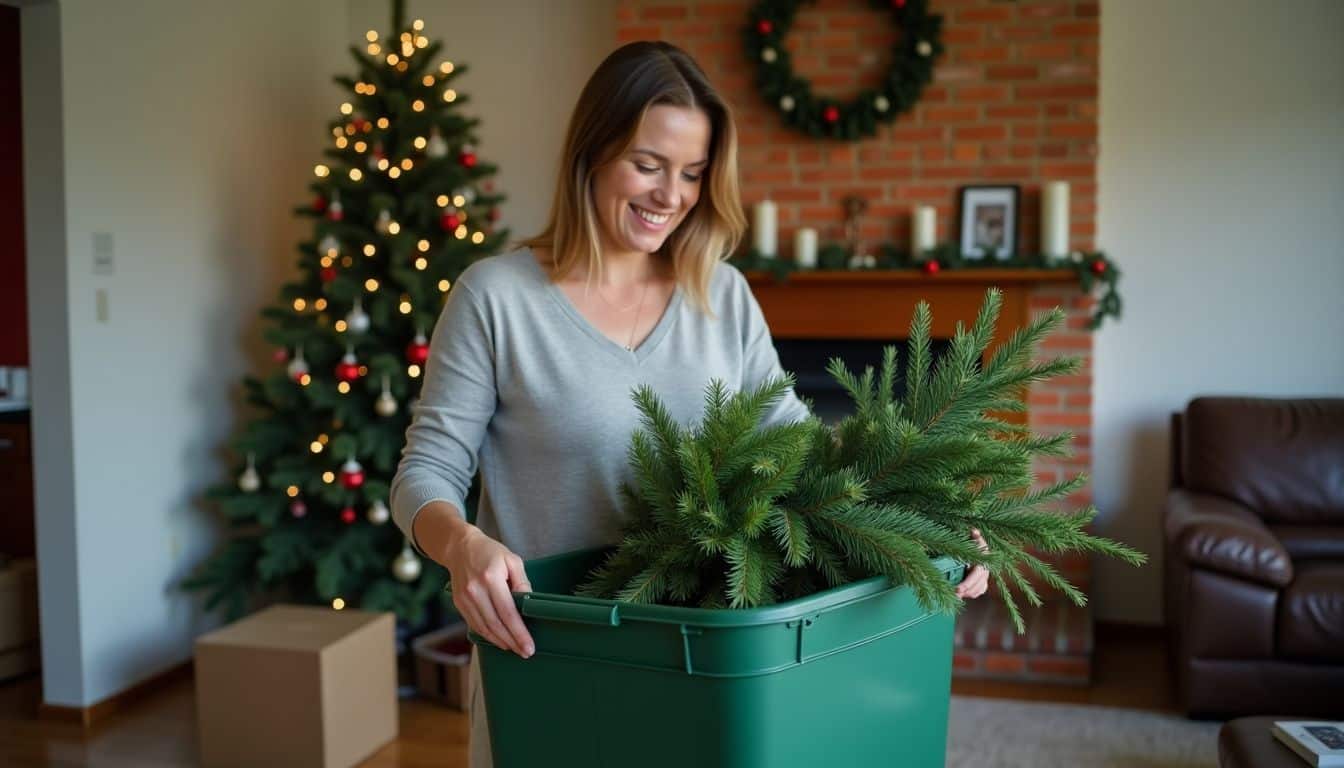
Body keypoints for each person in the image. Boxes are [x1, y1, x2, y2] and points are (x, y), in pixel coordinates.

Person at [390, 40, 990, 768]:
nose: (670, 195)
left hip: (704, 657)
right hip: (551, 656)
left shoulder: (722, 294)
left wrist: (929, 517)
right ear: (592, 152)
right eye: (647, 164)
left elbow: (799, 444)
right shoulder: (496, 298)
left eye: (693, 174)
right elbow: (425, 471)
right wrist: (463, 547)